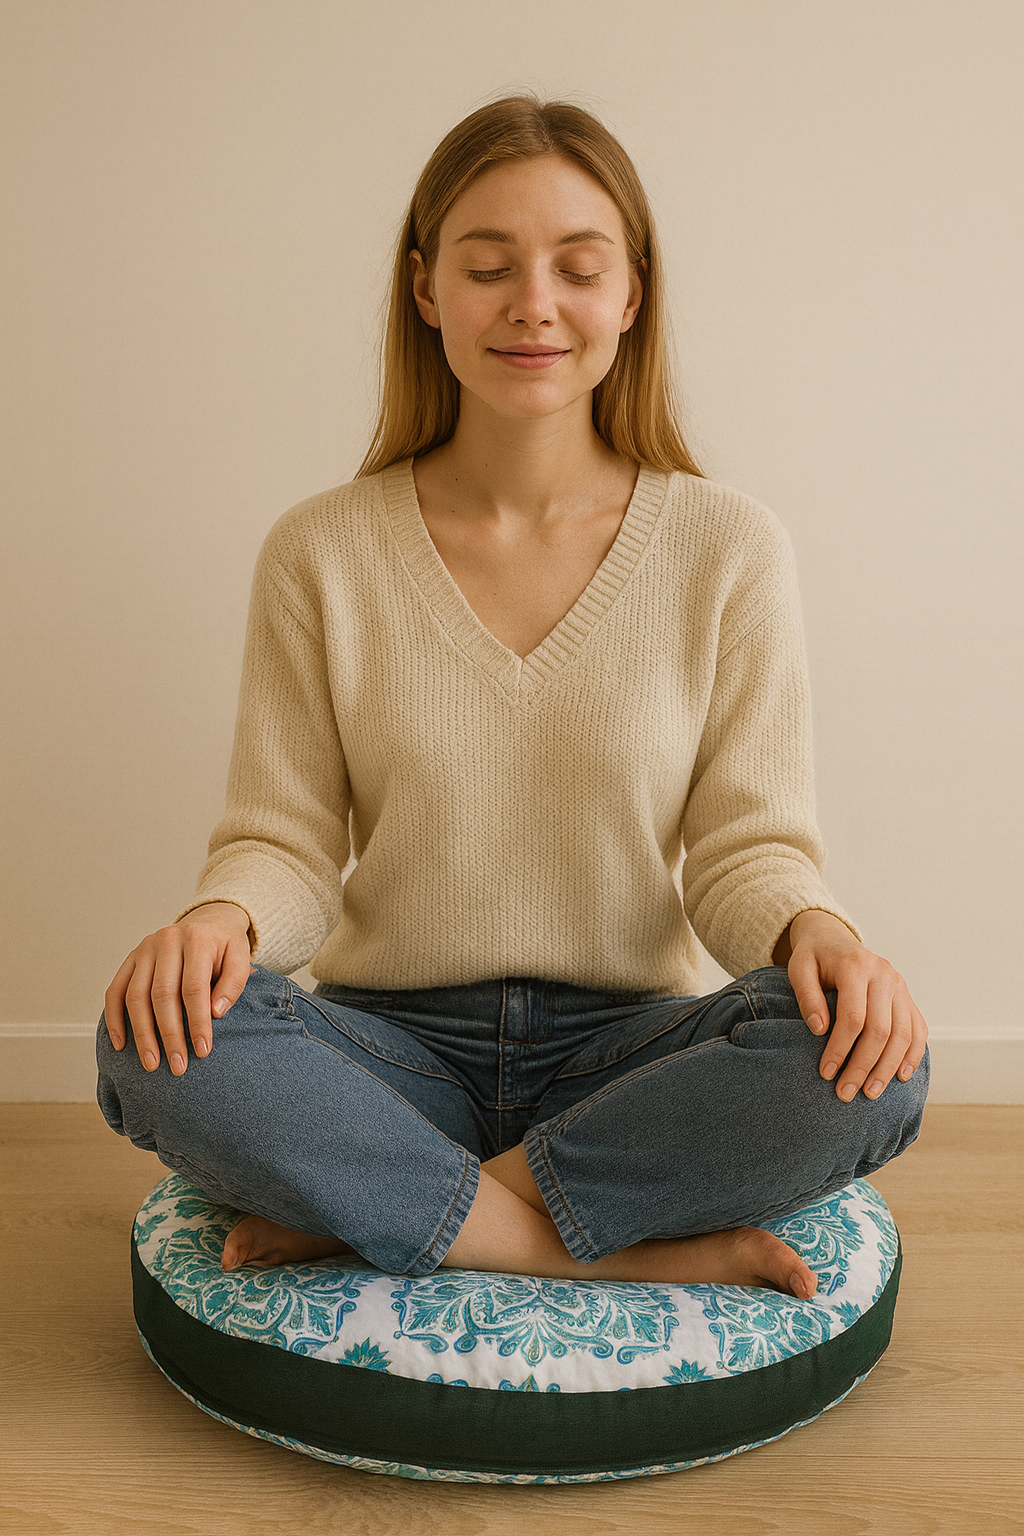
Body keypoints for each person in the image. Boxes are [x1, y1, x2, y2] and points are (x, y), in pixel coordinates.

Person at [96, 95, 929, 1301]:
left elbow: (747, 846)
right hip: (390, 1046)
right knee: (153, 1040)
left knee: (869, 1065)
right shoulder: (321, 550)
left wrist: (821, 936)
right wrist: (218, 922)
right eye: (489, 268)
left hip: (629, 1050)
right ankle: (593, 1240)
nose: (533, 303)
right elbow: (282, 840)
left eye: (577, 269)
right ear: (426, 288)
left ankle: (391, 1208)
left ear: (630, 295)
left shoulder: (726, 546)